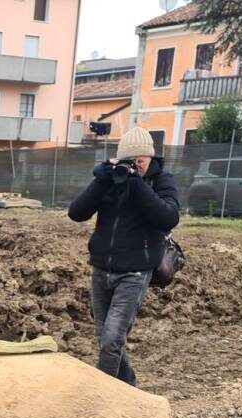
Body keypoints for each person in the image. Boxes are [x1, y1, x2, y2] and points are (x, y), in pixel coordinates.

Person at [66, 126, 180, 387]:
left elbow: (168, 217)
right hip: (101, 268)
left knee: (112, 340)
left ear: (150, 158)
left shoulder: (162, 180)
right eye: (131, 161)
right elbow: (77, 213)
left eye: (140, 161)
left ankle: (104, 395)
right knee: (105, 339)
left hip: (135, 272)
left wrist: (137, 184)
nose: (135, 166)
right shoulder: (110, 182)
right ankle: (128, 386)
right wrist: (102, 180)